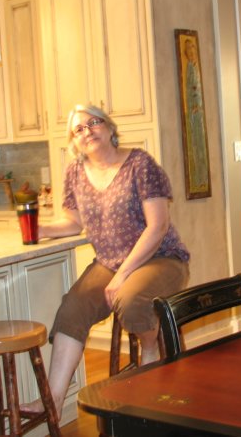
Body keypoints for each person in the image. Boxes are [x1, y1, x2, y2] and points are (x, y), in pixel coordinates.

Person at [21, 104, 190, 417]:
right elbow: (74, 222)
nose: (87, 131)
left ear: (110, 128)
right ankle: (53, 399)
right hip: (110, 261)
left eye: (94, 123)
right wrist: (39, 229)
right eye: (79, 129)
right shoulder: (75, 172)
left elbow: (158, 226)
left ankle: (151, 348)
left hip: (159, 257)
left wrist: (122, 274)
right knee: (72, 308)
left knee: (130, 299)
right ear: (74, 141)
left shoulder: (140, 163)